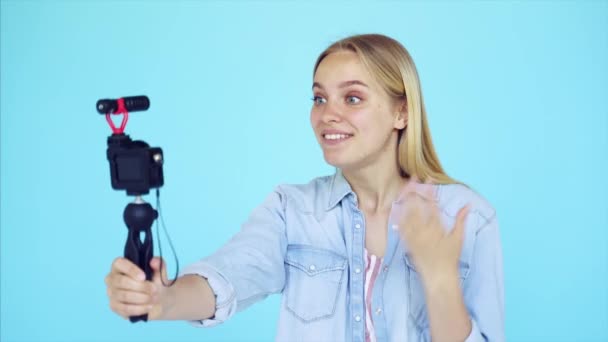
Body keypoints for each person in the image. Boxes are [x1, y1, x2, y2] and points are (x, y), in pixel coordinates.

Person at [105, 33, 505, 342]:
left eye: (352, 98)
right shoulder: (291, 209)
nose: (328, 115)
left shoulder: (468, 218)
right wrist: (163, 299)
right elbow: (231, 275)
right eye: (318, 98)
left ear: (401, 111)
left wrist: (438, 279)